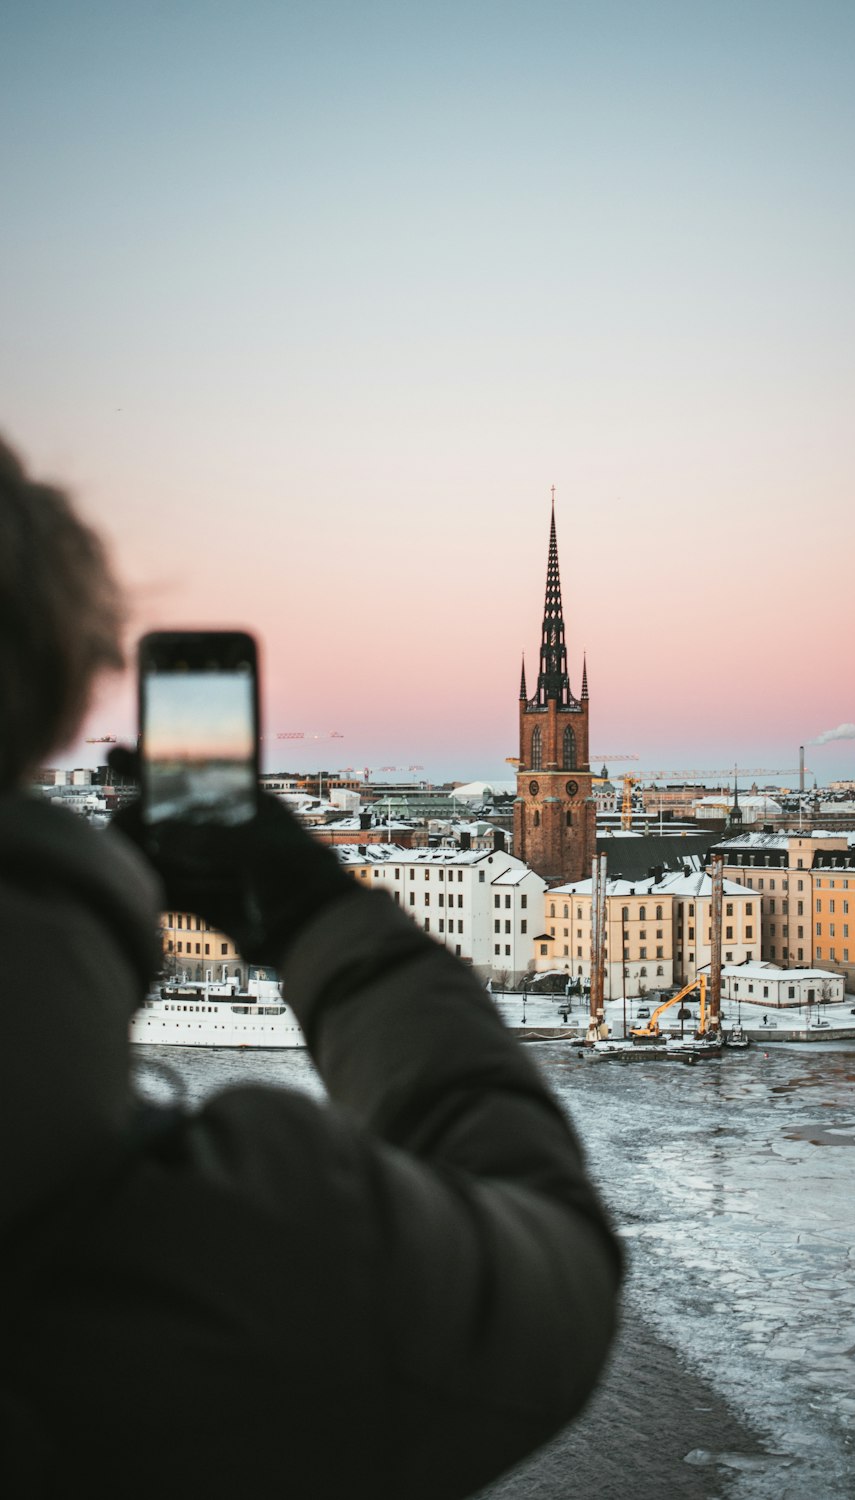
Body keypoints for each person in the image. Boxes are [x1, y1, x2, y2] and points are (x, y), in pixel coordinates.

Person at [0, 437, 620, 1498]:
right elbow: (555, 1271)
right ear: (55, 695)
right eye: (545, 736)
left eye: (558, 737)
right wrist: (320, 914)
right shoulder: (212, 1236)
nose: (549, 750)